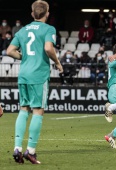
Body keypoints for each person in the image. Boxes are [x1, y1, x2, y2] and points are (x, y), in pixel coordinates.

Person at [6, 0, 63, 164]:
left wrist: (23, 57)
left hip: (23, 74)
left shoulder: (23, 30)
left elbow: (10, 51)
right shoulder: (48, 28)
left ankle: (17, 147)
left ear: (32, 14)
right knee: (38, 111)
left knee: (23, 109)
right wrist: (57, 63)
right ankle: (30, 151)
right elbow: (48, 48)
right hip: (38, 74)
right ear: (48, 13)